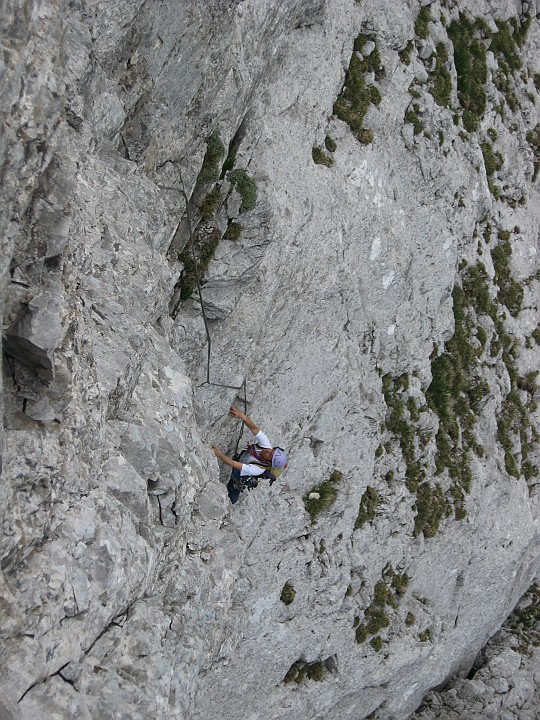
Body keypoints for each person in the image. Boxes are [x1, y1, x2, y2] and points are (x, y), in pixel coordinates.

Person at [211, 406, 288, 504]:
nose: (268, 451)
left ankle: (230, 503)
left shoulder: (258, 469)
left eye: (270, 455)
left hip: (238, 476)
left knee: (232, 493)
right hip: (241, 461)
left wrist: (218, 453)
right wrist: (242, 416)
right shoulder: (266, 446)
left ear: (268, 462)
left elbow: (232, 463)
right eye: (272, 451)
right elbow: (254, 429)